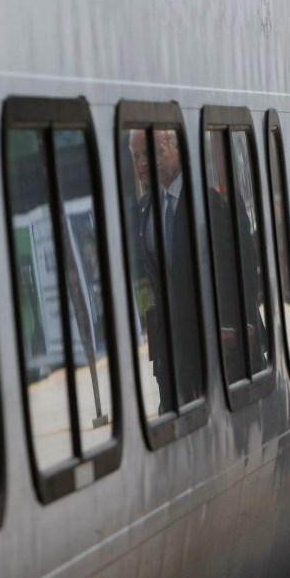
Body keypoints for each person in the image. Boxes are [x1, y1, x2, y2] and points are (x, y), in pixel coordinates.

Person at [129, 129, 204, 414]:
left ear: (178, 151)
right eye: (137, 156)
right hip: (170, 355)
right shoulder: (145, 209)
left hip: (210, 347)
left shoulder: (203, 200)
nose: (143, 164)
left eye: (153, 153)